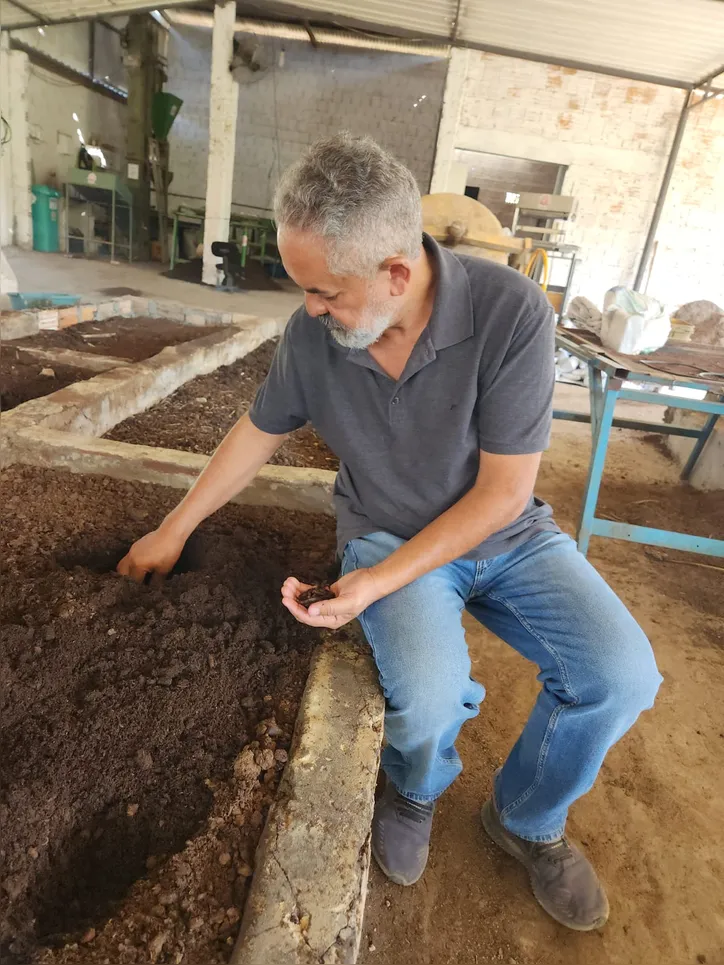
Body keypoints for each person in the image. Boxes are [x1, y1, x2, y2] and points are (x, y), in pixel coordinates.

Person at [118, 133, 662, 932]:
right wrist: (173, 527)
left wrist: (373, 585)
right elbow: (257, 431)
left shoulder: (509, 314)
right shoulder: (317, 336)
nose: (308, 309)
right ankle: (414, 785)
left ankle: (526, 816)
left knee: (623, 675)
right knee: (430, 697)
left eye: (324, 292)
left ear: (397, 275)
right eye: (302, 287)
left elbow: (506, 492)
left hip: (507, 535)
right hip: (385, 532)